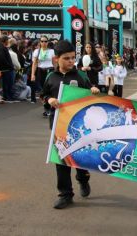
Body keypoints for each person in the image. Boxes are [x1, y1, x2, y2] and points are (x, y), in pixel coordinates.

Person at [41, 40, 100, 209]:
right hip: (58, 126)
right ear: (56, 59)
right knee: (62, 161)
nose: (71, 61)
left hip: (79, 127)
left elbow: (91, 94)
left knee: (79, 159)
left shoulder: (80, 76)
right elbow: (43, 95)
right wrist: (49, 100)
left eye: (73, 58)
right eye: (66, 58)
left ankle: (83, 180)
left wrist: (94, 91)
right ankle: (65, 194)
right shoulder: (50, 77)